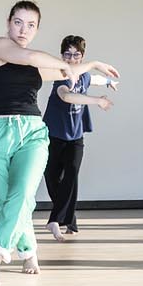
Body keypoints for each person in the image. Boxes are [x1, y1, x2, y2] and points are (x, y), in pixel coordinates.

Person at [0, 2, 118, 286]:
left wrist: (93, 67)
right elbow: (33, 57)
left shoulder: (37, 67)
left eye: (31, 25)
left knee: (23, 194)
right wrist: (68, 65)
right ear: (8, 23)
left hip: (32, 133)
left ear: (37, 29)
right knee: (6, 202)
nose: (23, 29)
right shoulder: (0, 47)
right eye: (18, 22)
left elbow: (69, 75)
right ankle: (28, 251)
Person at [42, 34, 117, 241]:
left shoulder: (84, 76)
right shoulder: (60, 76)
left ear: (82, 57)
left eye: (76, 55)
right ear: (61, 56)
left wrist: (109, 81)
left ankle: (55, 220)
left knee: (72, 175)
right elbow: (67, 96)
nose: (72, 59)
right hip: (54, 135)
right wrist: (97, 101)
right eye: (67, 54)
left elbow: (95, 78)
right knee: (52, 179)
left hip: (75, 135)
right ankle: (70, 219)